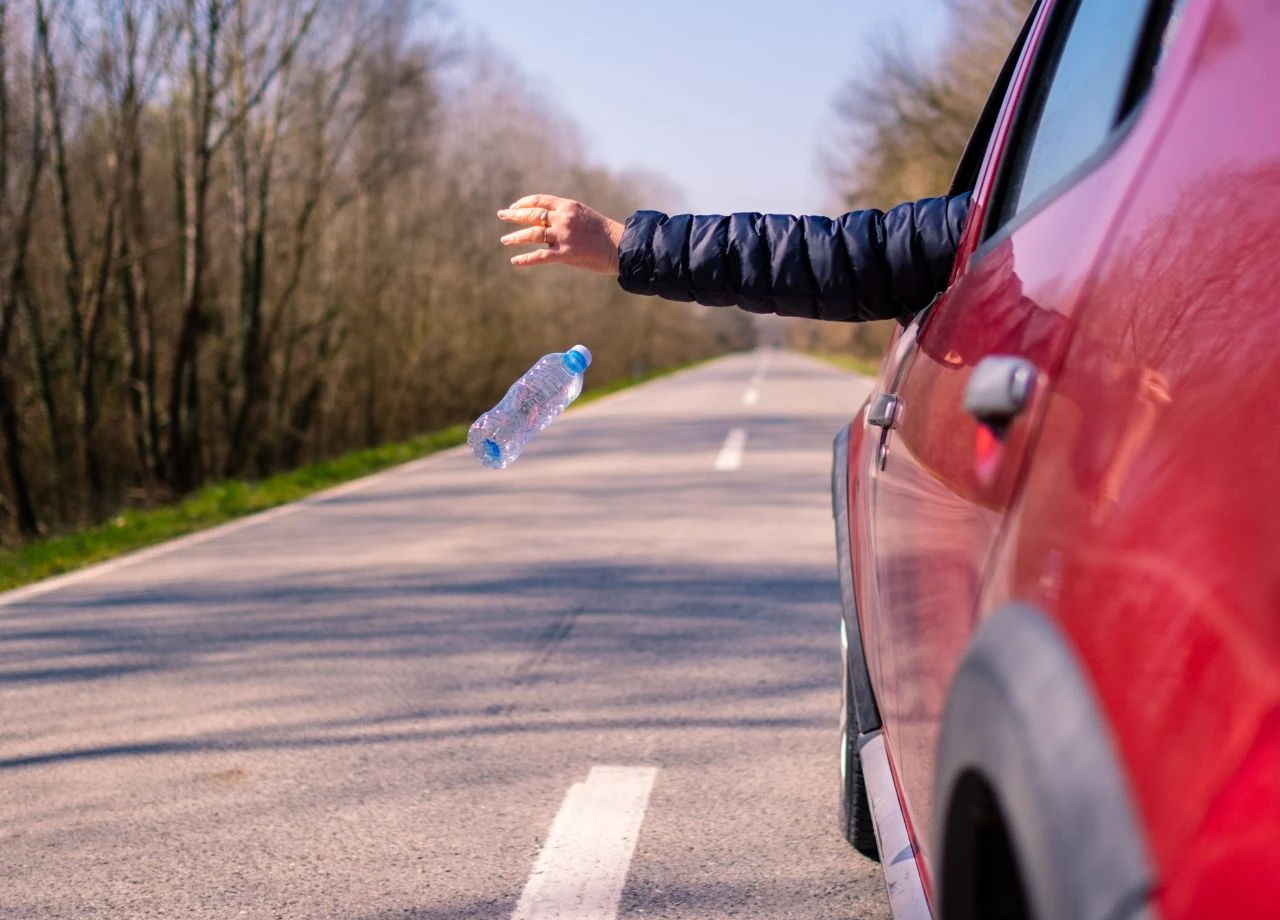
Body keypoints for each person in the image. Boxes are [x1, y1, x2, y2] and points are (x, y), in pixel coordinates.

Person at [496, 192, 972, 322]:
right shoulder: (992, 220)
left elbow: (857, 260)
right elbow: (859, 259)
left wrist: (625, 246)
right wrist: (626, 246)